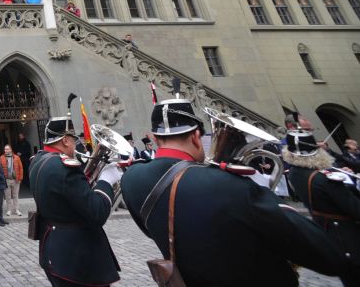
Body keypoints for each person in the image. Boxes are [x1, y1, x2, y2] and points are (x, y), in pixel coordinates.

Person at [120, 97, 347, 286]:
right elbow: (326, 255)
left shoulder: (131, 178)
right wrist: (261, 192)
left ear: (154, 137)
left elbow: (151, 230)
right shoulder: (231, 185)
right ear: (197, 136)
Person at [31, 114, 123, 287]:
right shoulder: (65, 167)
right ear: (65, 140)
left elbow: (67, 196)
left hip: (53, 250)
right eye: (74, 140)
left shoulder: (37, 161)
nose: (75, 144)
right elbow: (97, 213)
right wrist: (105, 181)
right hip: (77, 258)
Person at [284, 120, 360, 284]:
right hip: (350, 239)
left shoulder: (294, 173)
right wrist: (349, 184)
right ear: (316, 152)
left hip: (329, 236)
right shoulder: (325, 179)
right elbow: (355, 208)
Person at [0, 144, 23, 217]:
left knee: (15, 195)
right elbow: (0, 169)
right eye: (5, 149)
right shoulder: (1, 158)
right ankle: (9, 210)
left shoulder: (17, 157)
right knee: (8, 196)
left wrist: (20, 178)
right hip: (6, 180)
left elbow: (21, 168)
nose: (5, 151)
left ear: (10, 150)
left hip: (15, 180)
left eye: (7, 149)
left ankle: (16, 209)